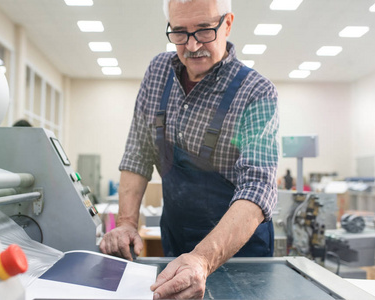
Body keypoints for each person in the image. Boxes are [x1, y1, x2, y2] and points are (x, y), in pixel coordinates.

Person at [99, 0, 279, 298]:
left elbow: (258, 186)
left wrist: (202, 259)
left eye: (205, 30)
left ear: (228, 24)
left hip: (240, 254)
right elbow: (138, 153)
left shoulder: (256, 92)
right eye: (180, 32)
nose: (193, 46)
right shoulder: (159, 71)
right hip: (177, 238)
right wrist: (128, 223)